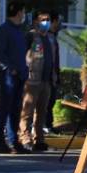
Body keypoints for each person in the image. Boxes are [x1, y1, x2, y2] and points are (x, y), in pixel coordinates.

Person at [0, 0, 29, 154]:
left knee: (15, 109)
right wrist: (10, 69)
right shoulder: (3, 30)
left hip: (20, 75)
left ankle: (14, 141)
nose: (24, 15)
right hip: (9, 76)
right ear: (19, 12)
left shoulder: (20, 31)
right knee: (5, 108)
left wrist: (24, 70)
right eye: (23, 12)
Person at [19, 10, 58, 152]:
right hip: (32, 80)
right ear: (35, 21)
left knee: (42, 112)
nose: (46, 22)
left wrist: (54, 77)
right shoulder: (30, 36)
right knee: (27, 111)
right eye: (43, 19)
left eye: (48, 19)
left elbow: (54, 59)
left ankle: (39, 140)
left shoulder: (51, 38)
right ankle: (25, 138)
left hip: (46, 81)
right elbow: (22, 55)